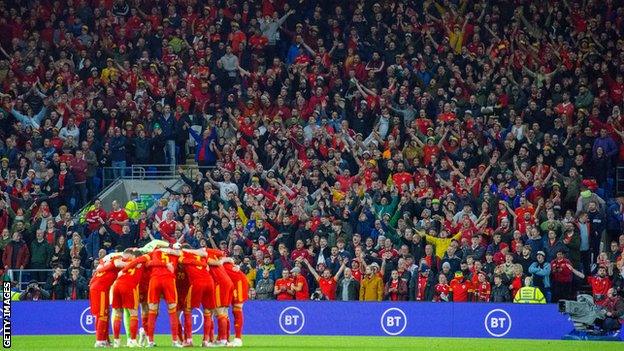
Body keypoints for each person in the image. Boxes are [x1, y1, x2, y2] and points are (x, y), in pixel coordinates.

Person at [145, 247, 182, 347]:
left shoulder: (155, 251)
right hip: (168, 280)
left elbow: (148, 263)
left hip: (155, 279)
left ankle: (150, 341)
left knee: (152, 311)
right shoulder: (175, 253)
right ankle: (175, 341)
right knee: (172, 310)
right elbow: (182, 254)